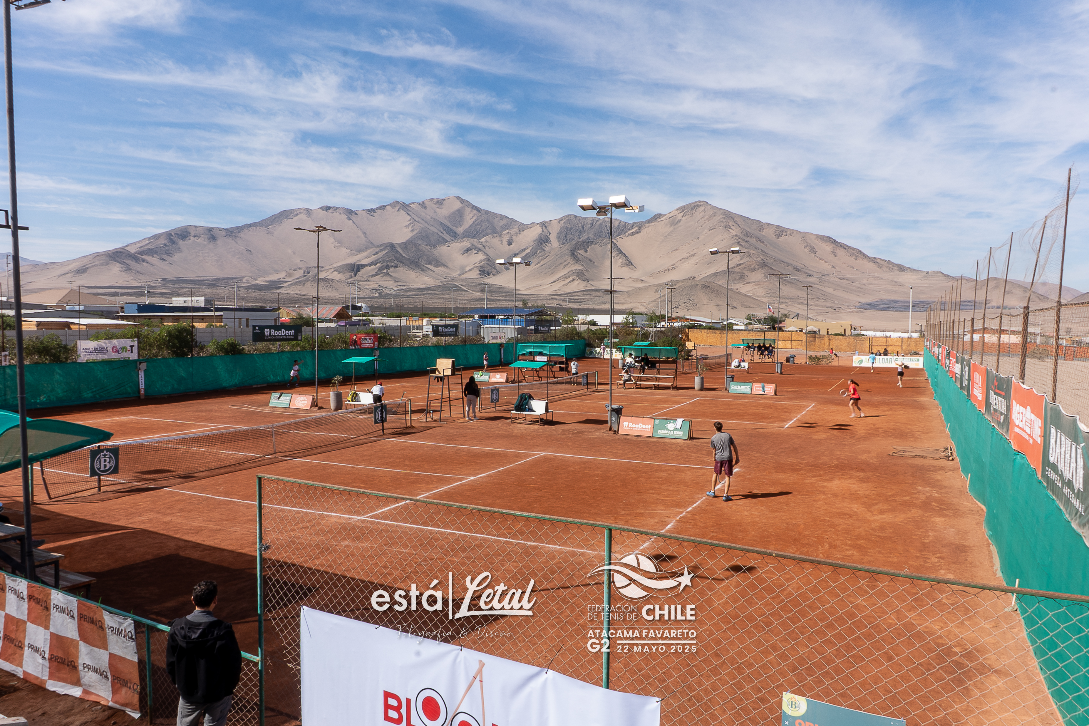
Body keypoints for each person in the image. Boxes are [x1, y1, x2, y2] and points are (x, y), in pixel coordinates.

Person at [166, 580, 242, 726]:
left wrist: (181, 685)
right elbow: (234, 664)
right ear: (215, 600)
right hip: (218, 694)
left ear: (192, 600)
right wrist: (226, 689)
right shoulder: (224, 630)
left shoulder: (177, 627)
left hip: (188, 694)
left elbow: (170, 663)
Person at [706, 421, 740, 502]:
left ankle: (712, 491)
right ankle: (725, 495)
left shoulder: (713, 438)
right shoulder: (728, 435)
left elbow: (714, 450)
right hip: (728, 458)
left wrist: (714, 458)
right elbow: (734, 446)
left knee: (715, 473)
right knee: (727, 476)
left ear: (715, 428)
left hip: (719, 458)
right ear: (722, 428)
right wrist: (737, 457)